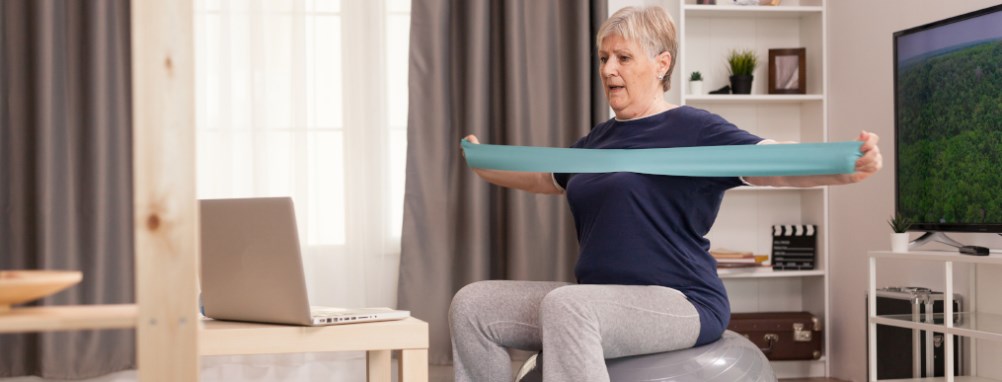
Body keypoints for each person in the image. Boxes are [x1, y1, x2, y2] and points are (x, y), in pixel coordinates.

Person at [451, 6, 881, 382]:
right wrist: (484, 163)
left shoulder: (694, 129)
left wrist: (845, 166)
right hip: (598, 301)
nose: (607, 69)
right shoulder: (598, 141)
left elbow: (771, 163)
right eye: (603, 58)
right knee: (473, 306)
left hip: (681, 300)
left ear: (661, 63)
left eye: (622, 57)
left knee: (569, 306)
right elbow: (547, 179)